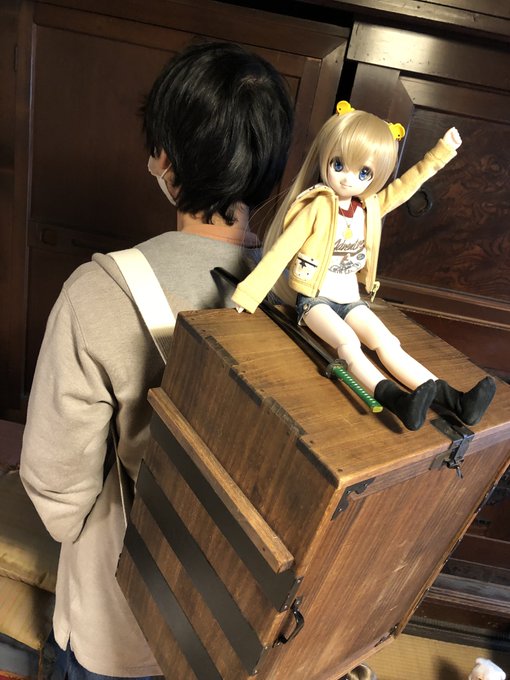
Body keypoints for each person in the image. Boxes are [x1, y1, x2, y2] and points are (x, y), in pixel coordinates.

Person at [20, 41, 294, 679]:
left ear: (165, 159)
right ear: (269, 170)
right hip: (245, 622)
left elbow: (58, 491)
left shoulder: (98, 295)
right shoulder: (299, 297)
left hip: (123, 621)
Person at [232, 101, 496, 430]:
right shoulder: (316, 207)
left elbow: (406, 186)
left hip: (351, 300)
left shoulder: (368, 208)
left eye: (363, 173)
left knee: (387, 342)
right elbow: (280, 253)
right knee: (347, 343)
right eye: (338, 165)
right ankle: (395, 399)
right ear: (326, 158)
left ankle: (455, 400)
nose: (348, 179)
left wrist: (440, 153)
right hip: (314, 301)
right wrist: (248, 295)